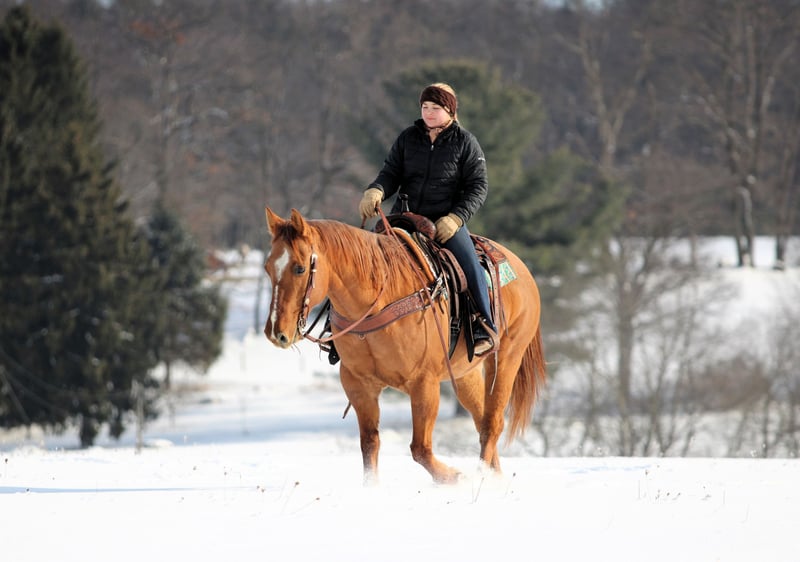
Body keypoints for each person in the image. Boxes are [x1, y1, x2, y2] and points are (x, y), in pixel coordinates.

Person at [359, 82, 498, 356]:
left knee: (469, 264)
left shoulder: (465, 142)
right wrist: (376, 190)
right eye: (425, 107)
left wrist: (456, 218)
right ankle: (337, 325)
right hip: (403, 217)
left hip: (445, 223)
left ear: (450, 111)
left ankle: (483, 324)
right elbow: (391, 172)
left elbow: (478, 187)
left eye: (436, 107)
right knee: (362, 257)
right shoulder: (408, 138)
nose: (429, 113)